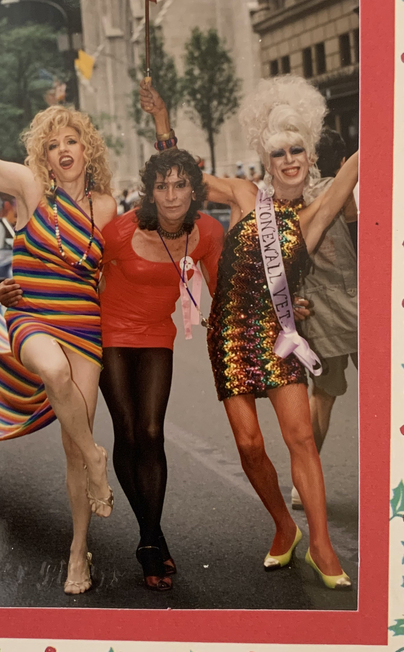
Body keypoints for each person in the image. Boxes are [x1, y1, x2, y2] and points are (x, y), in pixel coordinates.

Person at [141, 76, 357, 590]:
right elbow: (187, 173)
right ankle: (285, 526)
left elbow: (359, 164)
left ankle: (320, 543)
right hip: (231, 336)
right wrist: (162, 119)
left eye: (297, 149)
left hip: (278, 335)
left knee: (300, 437)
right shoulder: (244, 195)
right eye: (278, 151)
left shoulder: (313, 215)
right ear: (266, 155)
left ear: (309, 152)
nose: (288, 160)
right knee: (249, 444)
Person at [0, 146, 225, 592]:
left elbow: (221, 287)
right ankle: (151, 540)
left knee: (153, 432)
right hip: (111, 332)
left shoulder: (210, 232)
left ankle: (148, 534)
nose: (172, 195)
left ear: (195, 190)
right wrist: (19, 291)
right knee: (128, 431)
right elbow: (74, 271)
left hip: (158, 334)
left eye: (181, 185)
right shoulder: (120, 230)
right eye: (162, 187)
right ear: (150, 193)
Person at [0, 105, 117, 596]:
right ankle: (101, 461)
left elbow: (108, 275)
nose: (62, 151)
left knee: (72, 450)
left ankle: (79, 551)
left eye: (70, 141)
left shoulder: (107, 206)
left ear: (86, 147)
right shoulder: (31, 188)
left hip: (83, 323)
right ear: (44, 156)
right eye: (52, 145)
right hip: (31, 315)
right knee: (53, 372)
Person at [292, 127, 358, 509]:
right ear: (344, 161)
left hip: (320, 313)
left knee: (324, 397)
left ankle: (303, 483)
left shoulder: (302, 199)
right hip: (363, 309)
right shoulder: (348, 192)